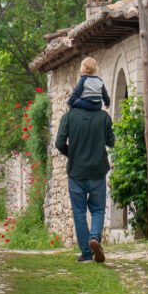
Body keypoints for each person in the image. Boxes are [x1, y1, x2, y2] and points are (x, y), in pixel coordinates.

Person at [55, 94, 115, 263]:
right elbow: (111, 142)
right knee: (98, 209)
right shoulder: (104, 117)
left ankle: (86, 254)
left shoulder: (69, 116)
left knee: (79, 212)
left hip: (76, 172)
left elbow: (59, 143)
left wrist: (72, 155)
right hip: (97, 172)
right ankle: (95, 237)